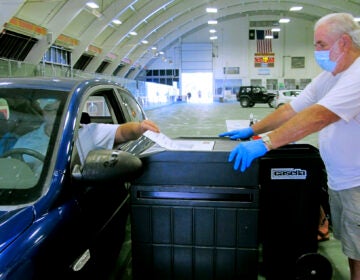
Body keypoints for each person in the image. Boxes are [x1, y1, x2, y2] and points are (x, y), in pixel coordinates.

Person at [219, 13, 360, 279]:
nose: (315, 50)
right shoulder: (330, 76)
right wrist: (252, 129)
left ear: (343, 42)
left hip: (357, 181)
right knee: (353, 248)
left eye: (320, 44)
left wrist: (266, 143)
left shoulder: (358, 74)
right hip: (341, 179)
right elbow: (290, 110)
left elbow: (318, 115)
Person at [13, 100, 160, 175]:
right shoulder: (25, 141)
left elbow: (122, 132)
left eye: (62, 109)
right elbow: (15, 172)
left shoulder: (90, 132)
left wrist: (139, 127)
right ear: (44, 113)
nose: (58, 115)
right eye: (52, 110)